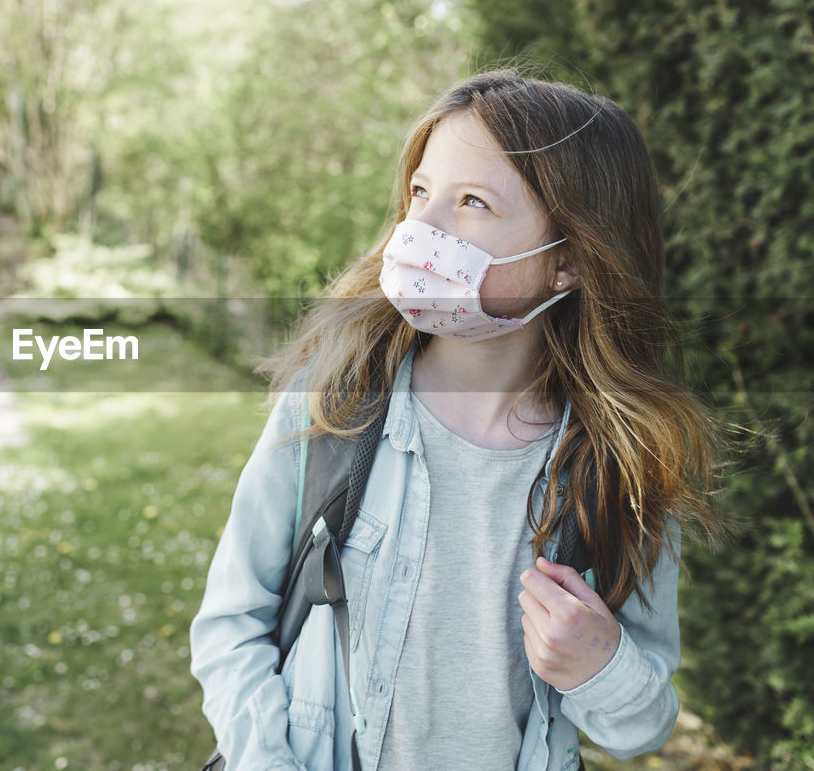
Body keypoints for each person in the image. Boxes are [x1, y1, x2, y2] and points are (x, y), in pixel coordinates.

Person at [189, 69, 729, 770]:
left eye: (471, 201)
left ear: (566, 260)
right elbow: (231, 623)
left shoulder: (623, 464)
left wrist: (601, 665)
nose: (422, 227)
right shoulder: (331, 402)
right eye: (421, 192)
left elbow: (640, 729)